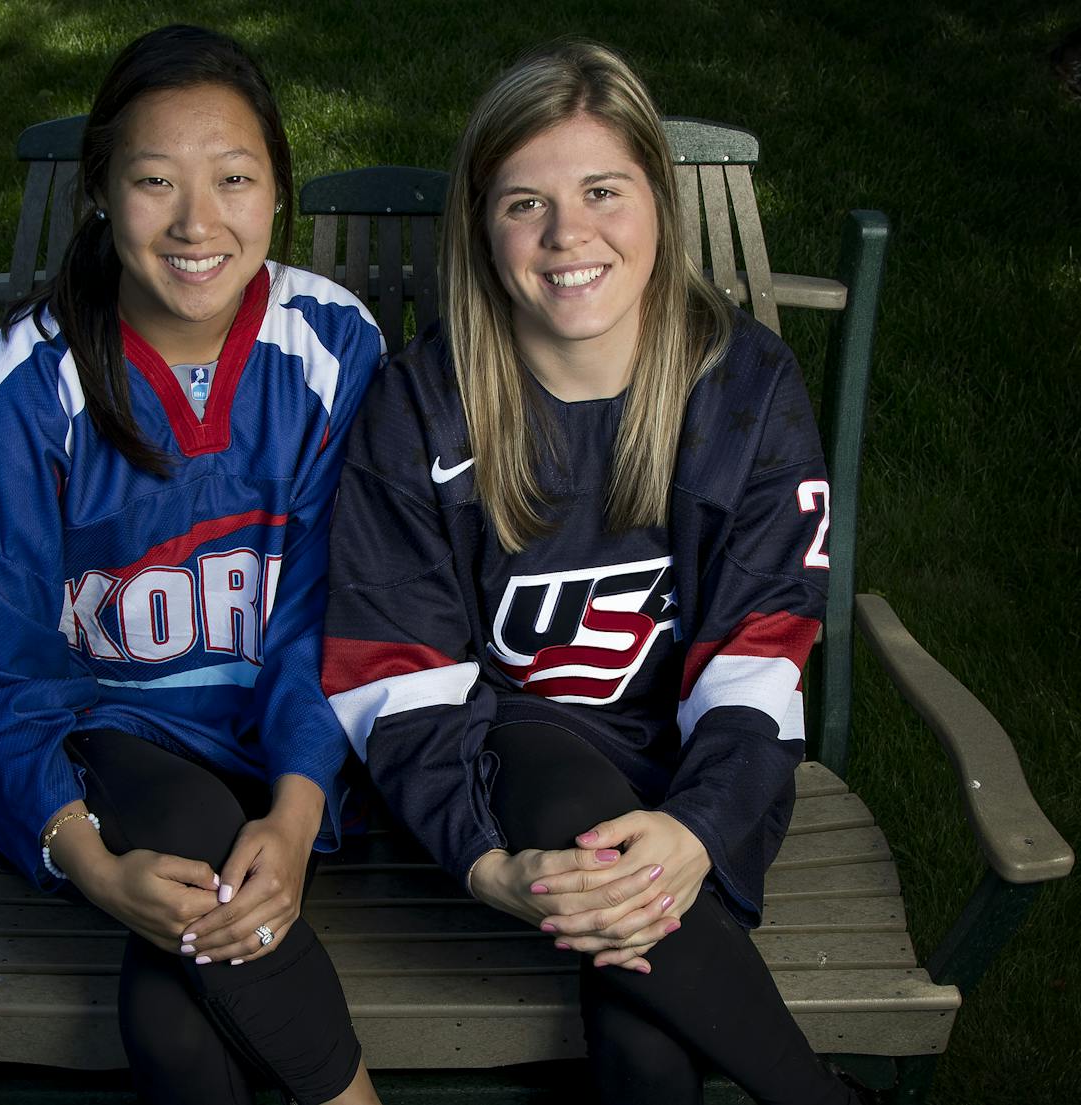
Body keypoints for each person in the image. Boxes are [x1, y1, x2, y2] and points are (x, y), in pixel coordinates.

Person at [321, 40, 863, 1105]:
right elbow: (398, 673)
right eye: (524, 203)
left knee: (645, 1044)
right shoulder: (422, 404)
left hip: (702, 754)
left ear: (657, 201)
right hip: (510, 762)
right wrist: (484, 861)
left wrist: (698, 829)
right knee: (559, 782)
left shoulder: (740, 383)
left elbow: (760, 652)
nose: (567, 236)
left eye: (602, 191)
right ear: (480, 226)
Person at [0, 25, 385, 1105]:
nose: (195, 222)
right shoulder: (22, 393)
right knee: (176, 827)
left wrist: (299, 810)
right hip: (102, 764)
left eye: (232, 178)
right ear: (99, 193)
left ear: (277, 191)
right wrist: (88, 861)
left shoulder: (331, 347)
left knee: (173, 1028)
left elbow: (340, 606)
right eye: (152, 181)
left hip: (285, 760)